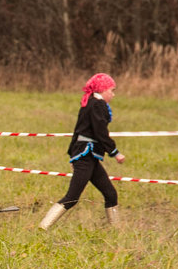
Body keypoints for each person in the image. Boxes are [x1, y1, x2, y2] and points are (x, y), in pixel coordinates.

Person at [38, 73, 125, 229]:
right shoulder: (97, 104)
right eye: (111, 90)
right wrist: (115, 152)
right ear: (103, 89)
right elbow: (100, 132)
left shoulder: (89, 103)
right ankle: (43, 227)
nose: (113, 94)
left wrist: (72, 155)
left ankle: (118, 232)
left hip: (88, 157)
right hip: (86, 155)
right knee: (72, 198)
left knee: (111, 194)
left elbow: (77, 131)